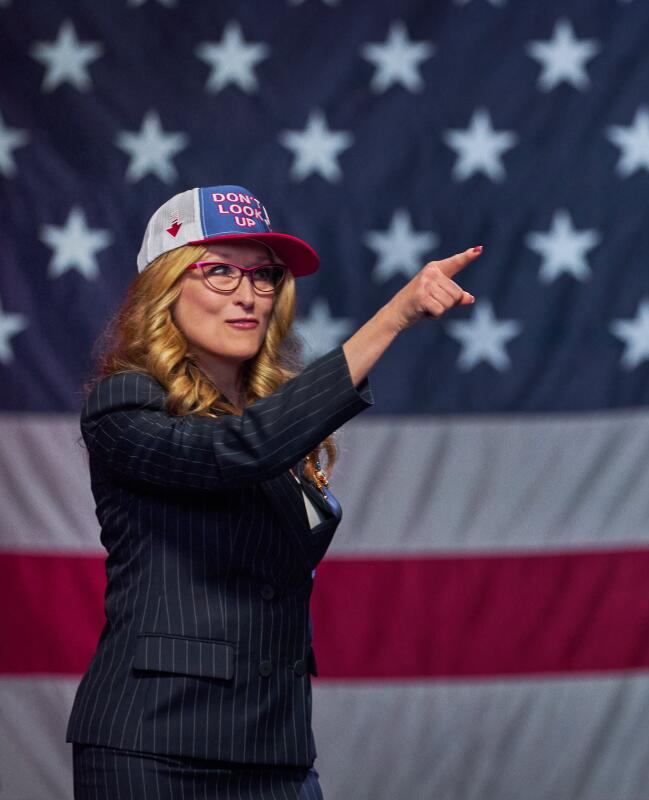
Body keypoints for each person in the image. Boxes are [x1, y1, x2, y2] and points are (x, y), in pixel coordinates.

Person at [66, 185, 479, 798]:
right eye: (219, 271)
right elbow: (231, 452)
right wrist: (393, 316)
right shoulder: (124, 404)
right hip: (154, 747)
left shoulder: (279, 419)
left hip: (275, 749)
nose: (247, 294)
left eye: (263, 275)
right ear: (165, 286)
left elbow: (256, 444)